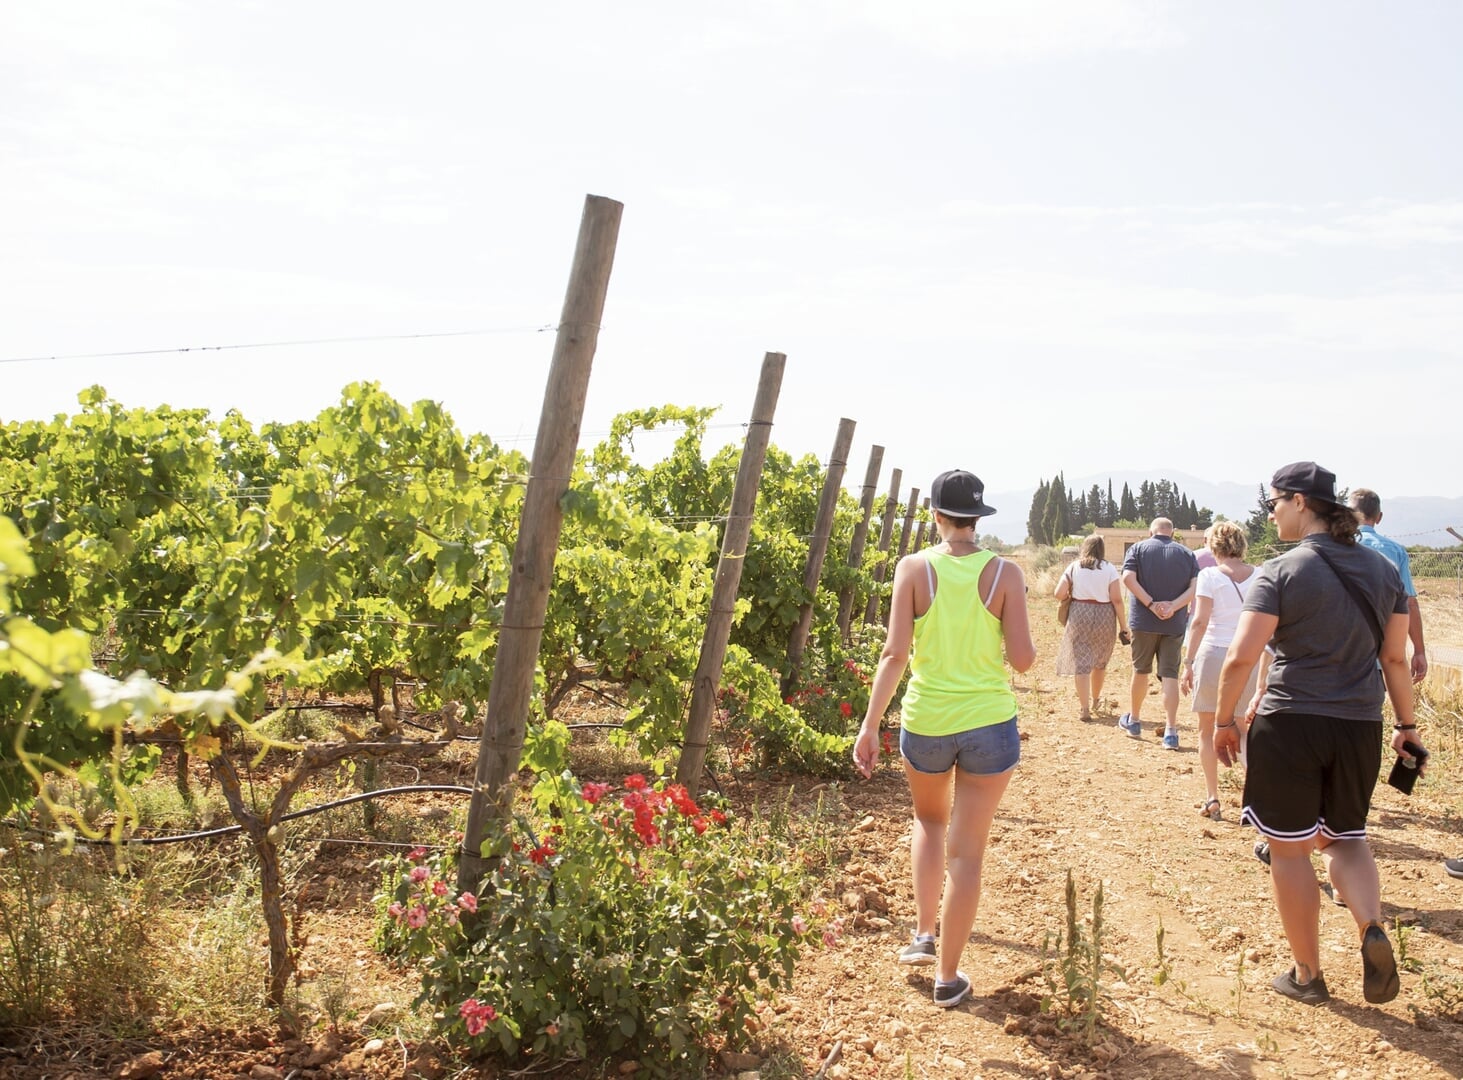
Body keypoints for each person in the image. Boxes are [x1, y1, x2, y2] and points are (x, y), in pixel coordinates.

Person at [1214, 461, 1422, 1006]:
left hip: (1292, 721)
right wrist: (1407, 726)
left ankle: (1307, 975)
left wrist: (1223, 720)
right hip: (1360, 724)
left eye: (1275, 501)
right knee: (1348, 837)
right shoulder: (1384, 572)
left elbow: (1241, 657)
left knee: (1289, 851)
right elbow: (1394, 658)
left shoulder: (1281, 571)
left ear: (1301, 503)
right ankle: (1370, 926)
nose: (1271, 511)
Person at [853, 469, 1035, 1009]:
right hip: (989, 725)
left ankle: (923, 935)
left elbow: (894, 654)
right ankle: (948, 978)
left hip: (926, 721)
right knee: (969, 853)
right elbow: (1023, 661)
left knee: (929, 823)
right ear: (978, 519)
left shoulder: (913, 569)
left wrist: (869, 725)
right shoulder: (1006, 573)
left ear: (935, 515)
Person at [1179, 521, 1268, 820]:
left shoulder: (1208, 576)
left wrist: (1188, 662)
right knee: (1245, 729)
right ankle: (1252, 800)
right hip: (1249, 655)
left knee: (1207, 730)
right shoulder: (1260, 575)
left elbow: (1200, 621)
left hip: (1214, 653)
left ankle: (1212, 797)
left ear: (1214, 546)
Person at [1118, 518, 1199, 748]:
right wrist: (1172, 606)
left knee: (1140, 670)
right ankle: (1171, 731)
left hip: (1143, 621)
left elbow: (1127, 578)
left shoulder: (1138, 549)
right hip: (1173, 624)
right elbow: (1195, 588)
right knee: (1170, 675)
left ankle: (1134, 720)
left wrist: (1151, 604)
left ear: (1150, 531)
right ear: (1172, 533)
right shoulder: (1187, 554)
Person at [1351, 488, 1427, 684]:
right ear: (1379, 517)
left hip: (1339, 655)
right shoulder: (1395, 551)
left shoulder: (1336, 546)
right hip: (1379, 656)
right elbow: (1409, 603)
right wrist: (1419, 651)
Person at [1053, 534, 1129, 720]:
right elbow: (1117, 600)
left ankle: (1084, 708)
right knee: (1100, 661)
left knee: (1081, 663)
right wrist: (1124, 626)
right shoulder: (1109, 568)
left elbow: (1058, 593)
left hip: (1080, 612)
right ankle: (1095, 700)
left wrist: (1071, 596)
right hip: (1104, 614)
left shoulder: (1074, 566)